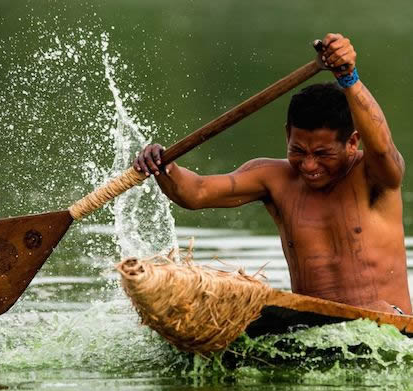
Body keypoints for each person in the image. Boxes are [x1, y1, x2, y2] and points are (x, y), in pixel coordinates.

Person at [133, 33, 412, 315]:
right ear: (288, 135)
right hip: (309, 331)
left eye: (323, 154)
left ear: (352, 143)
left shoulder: (375, 175)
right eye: (298, 151)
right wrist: (163, 165)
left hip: (392, 329)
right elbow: (196, 192)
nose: (309, 165)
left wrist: (349, 78)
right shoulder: (273, 178)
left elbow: (382, 149)